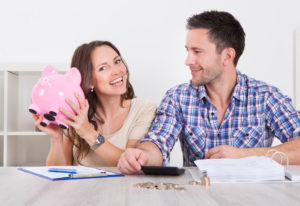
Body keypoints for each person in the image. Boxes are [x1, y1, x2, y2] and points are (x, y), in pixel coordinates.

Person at [117, 10, 300, 174]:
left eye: (197, 51)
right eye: (188, 51)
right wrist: (141, 155)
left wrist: (246, 156)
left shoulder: (266, 97)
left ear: (227, 56)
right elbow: (158, 142)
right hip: (197, 197)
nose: (188, 60)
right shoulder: (178, 98)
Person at [33, 40, 156, 166]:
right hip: (82, 186)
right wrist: (56, 138)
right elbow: (58, 173)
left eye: (117, 61)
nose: (117, 71)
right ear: (89, 80)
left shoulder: (144, 109)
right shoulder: (76, 112)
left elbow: (133, 164)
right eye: (103, 68)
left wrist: (88, 133)